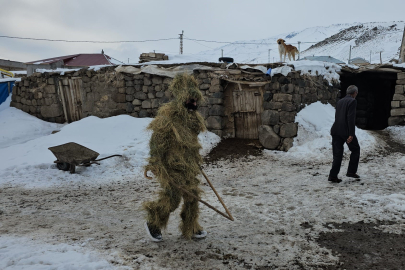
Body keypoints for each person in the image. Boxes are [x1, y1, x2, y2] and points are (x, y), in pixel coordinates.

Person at [143, 73, 207, 242]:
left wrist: (195, 160)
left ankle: (191, 228)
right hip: (170, 166)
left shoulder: (192, 119)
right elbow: (157, 142)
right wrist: (155, 163)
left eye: (195, 100)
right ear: (181, 98)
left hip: (188, 166)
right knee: (172, 198)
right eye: (190, 100)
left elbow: (191, 142)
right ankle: (154, 222)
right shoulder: (167, 118)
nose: (194, 103)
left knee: (193, 197)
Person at [328, 85, 361, 183]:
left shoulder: (340, 101)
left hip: (336, 130)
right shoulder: (352, 101)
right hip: (346, 131)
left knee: (337, 155)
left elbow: (337, 116)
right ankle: (351, 171)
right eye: (356, 93)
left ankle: (333, 176)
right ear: (354, 92)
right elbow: (351, 118)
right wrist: (351, 133)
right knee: (355, 149)